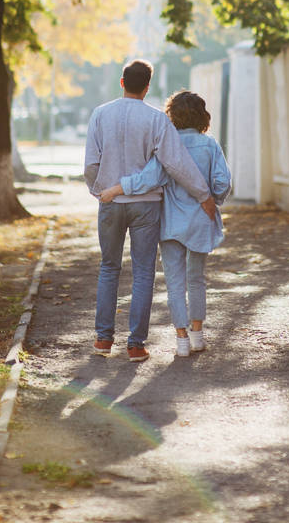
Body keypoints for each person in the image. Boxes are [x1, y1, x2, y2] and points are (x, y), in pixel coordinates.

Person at [84, 60, 216, 362]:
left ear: (121, 82)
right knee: (143, 272)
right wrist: (203, 195)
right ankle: (135, 345)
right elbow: (176, 162)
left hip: (111, 203)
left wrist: (100, 191)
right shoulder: (157, 119)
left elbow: (91, 163)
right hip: (146, 206)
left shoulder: (100, 114)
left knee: (109, 268)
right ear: (147, 87)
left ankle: (103, 340)